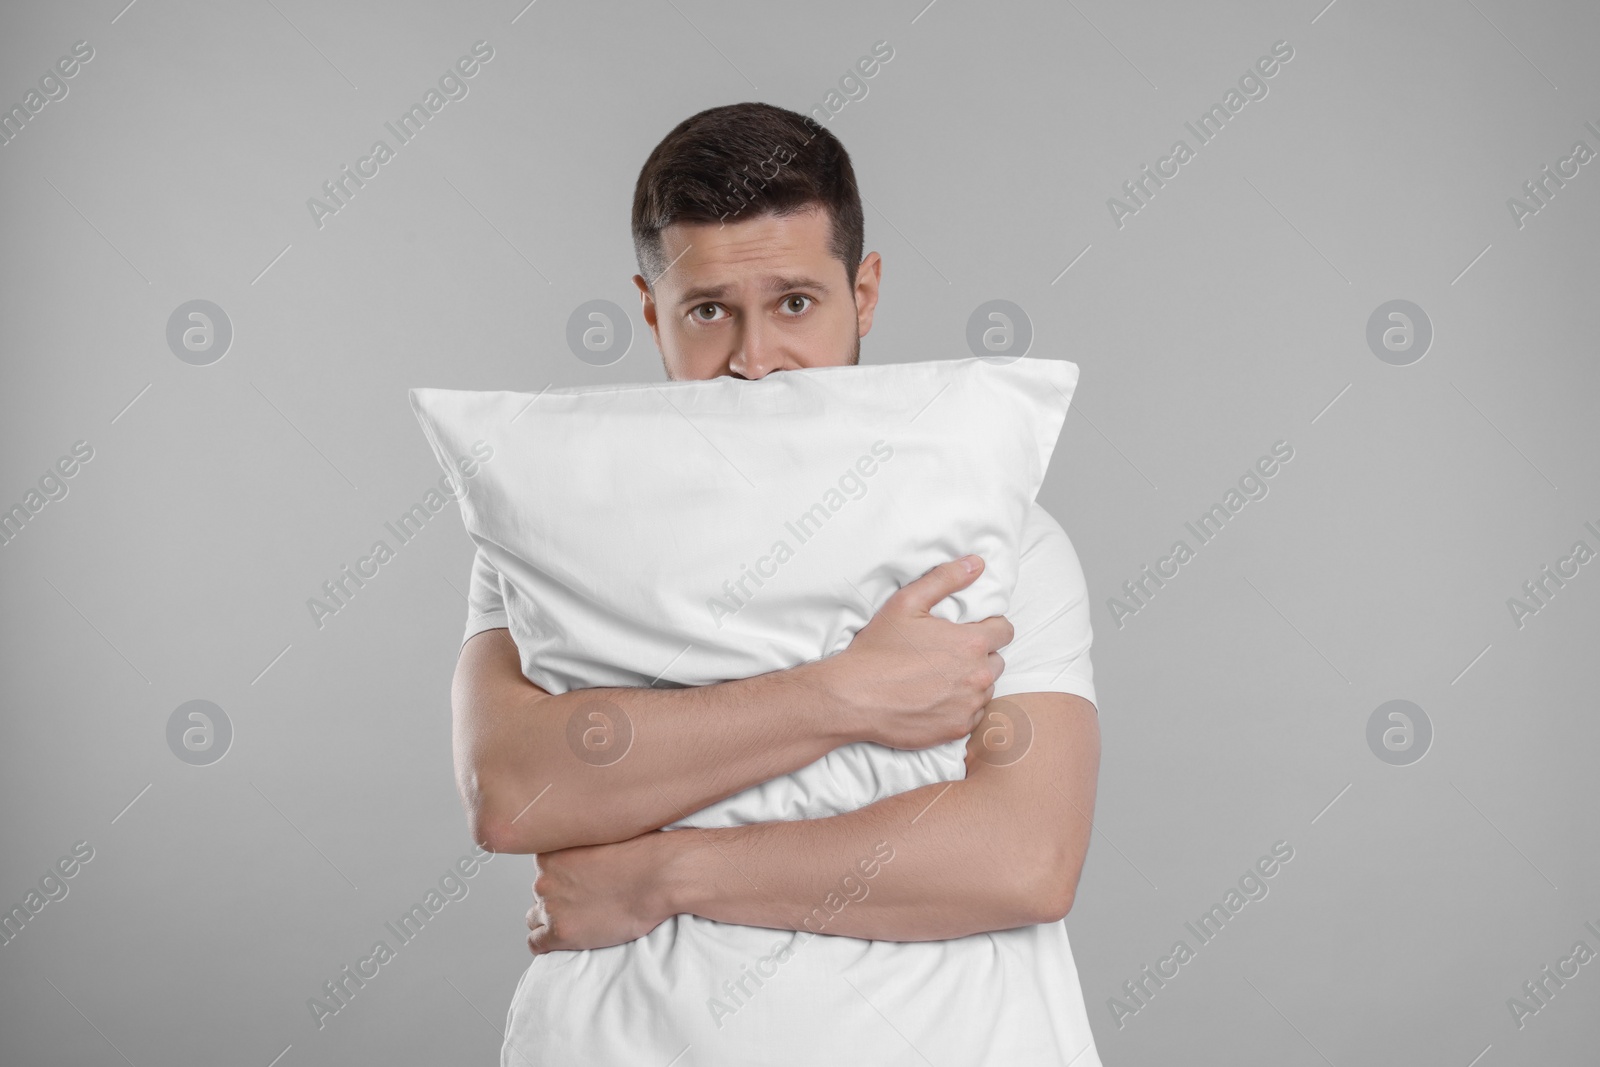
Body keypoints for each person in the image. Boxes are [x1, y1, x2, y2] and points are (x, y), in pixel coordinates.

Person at [451, 101, 1104, 1065]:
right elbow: (513, 791)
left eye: (795, 303)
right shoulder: (554, 534)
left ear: (864, 294)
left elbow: (1024, 857)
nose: (754, 364)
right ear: (650, 310)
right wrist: (843, 694)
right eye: (709, 311)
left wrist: (668, 870)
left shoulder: (1001, 536)